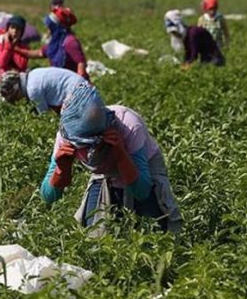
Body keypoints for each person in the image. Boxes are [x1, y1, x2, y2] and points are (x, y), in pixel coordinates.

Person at [39, 86, 181, 234]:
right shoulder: (66, 135)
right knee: (95, 234)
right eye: (83, 144)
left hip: (145, 170)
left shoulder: (128, 124)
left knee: (155, 232)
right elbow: (48, 196)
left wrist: (120, 152)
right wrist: (62, 168)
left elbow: (142, 191)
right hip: (104, 175)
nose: (89, 148)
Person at [15, 7, 90, 81]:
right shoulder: (56, 42)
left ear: (57, 27)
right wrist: (16, 49)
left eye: (50, 27)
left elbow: (81, 65)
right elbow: (38, 53)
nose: (48, 30)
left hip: (73, 84)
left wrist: (78, 85)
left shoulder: (70, 42)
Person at [0, 67, 92, 115]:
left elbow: (45, 116)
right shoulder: (32, 75)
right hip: (82, 86)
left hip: (79, 93)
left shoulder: (33, 91)